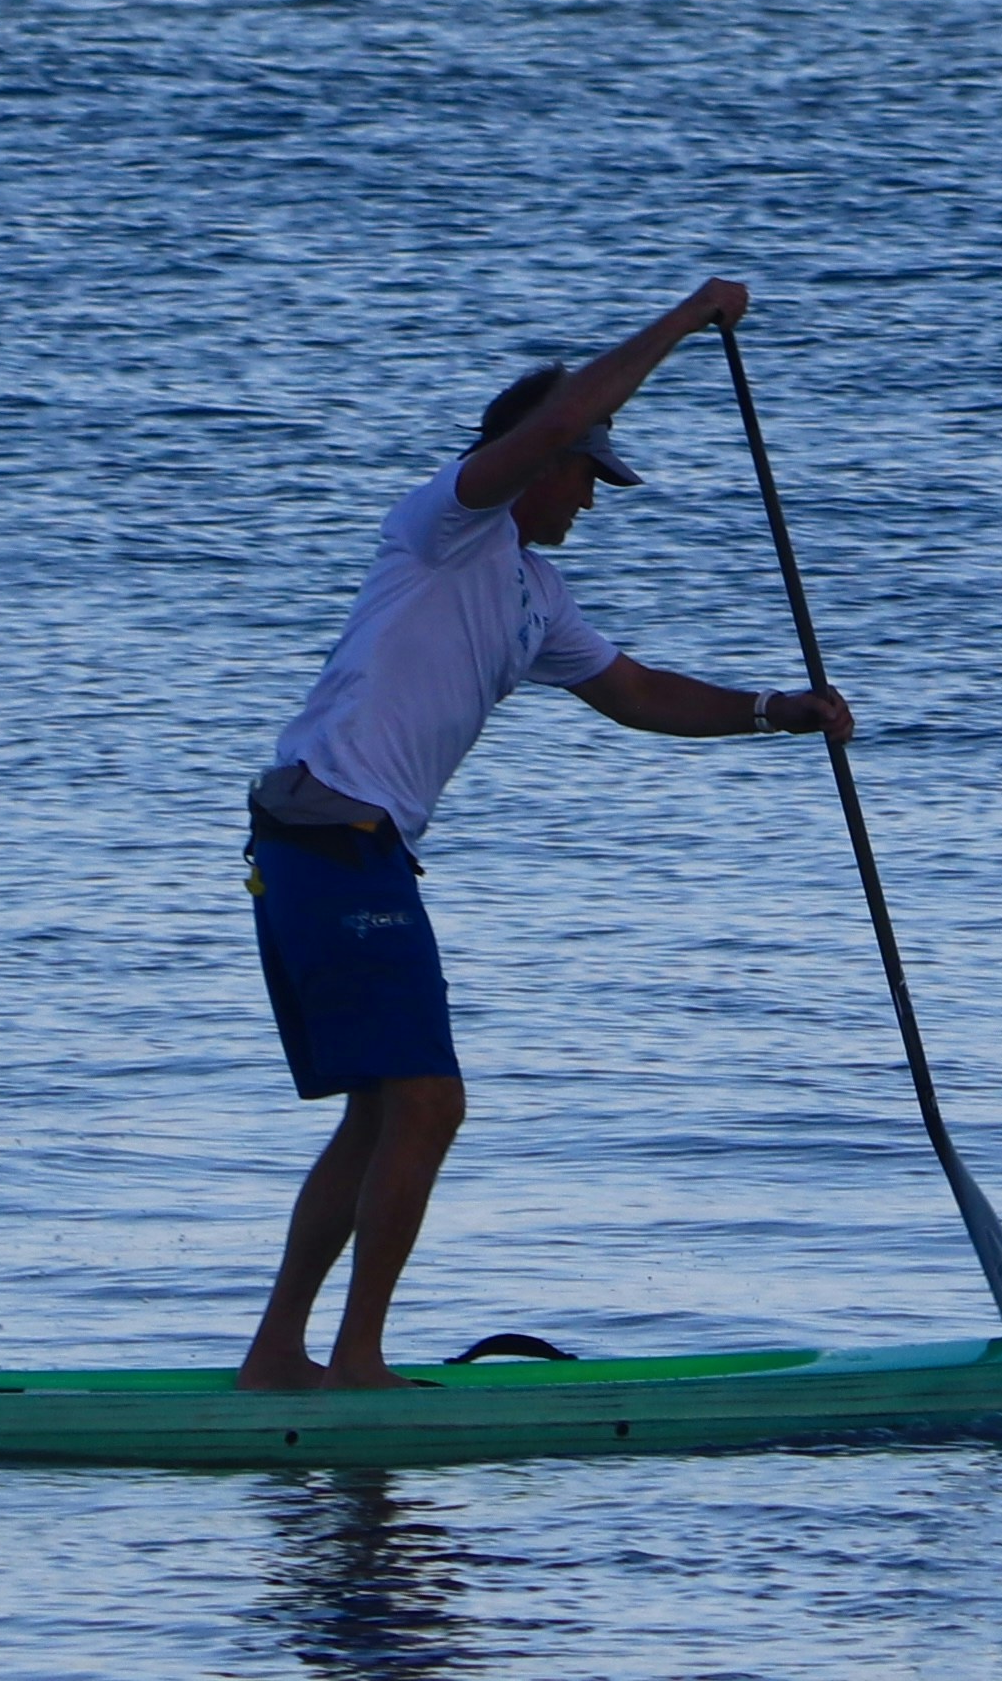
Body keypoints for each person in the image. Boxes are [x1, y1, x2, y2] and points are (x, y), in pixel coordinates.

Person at [235, 277, 849, 1390]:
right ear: (535, 456)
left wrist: (776, 711)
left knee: (386, 1108)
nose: (593, 495)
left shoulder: (534, 592)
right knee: (426, 1098)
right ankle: (356, 1362)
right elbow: (559, 416)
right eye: (586, 473)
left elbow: (638, 692)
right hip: (326, 829)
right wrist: (687, 317)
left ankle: (282, 1355)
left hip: (353, 849)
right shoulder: (446, 523)